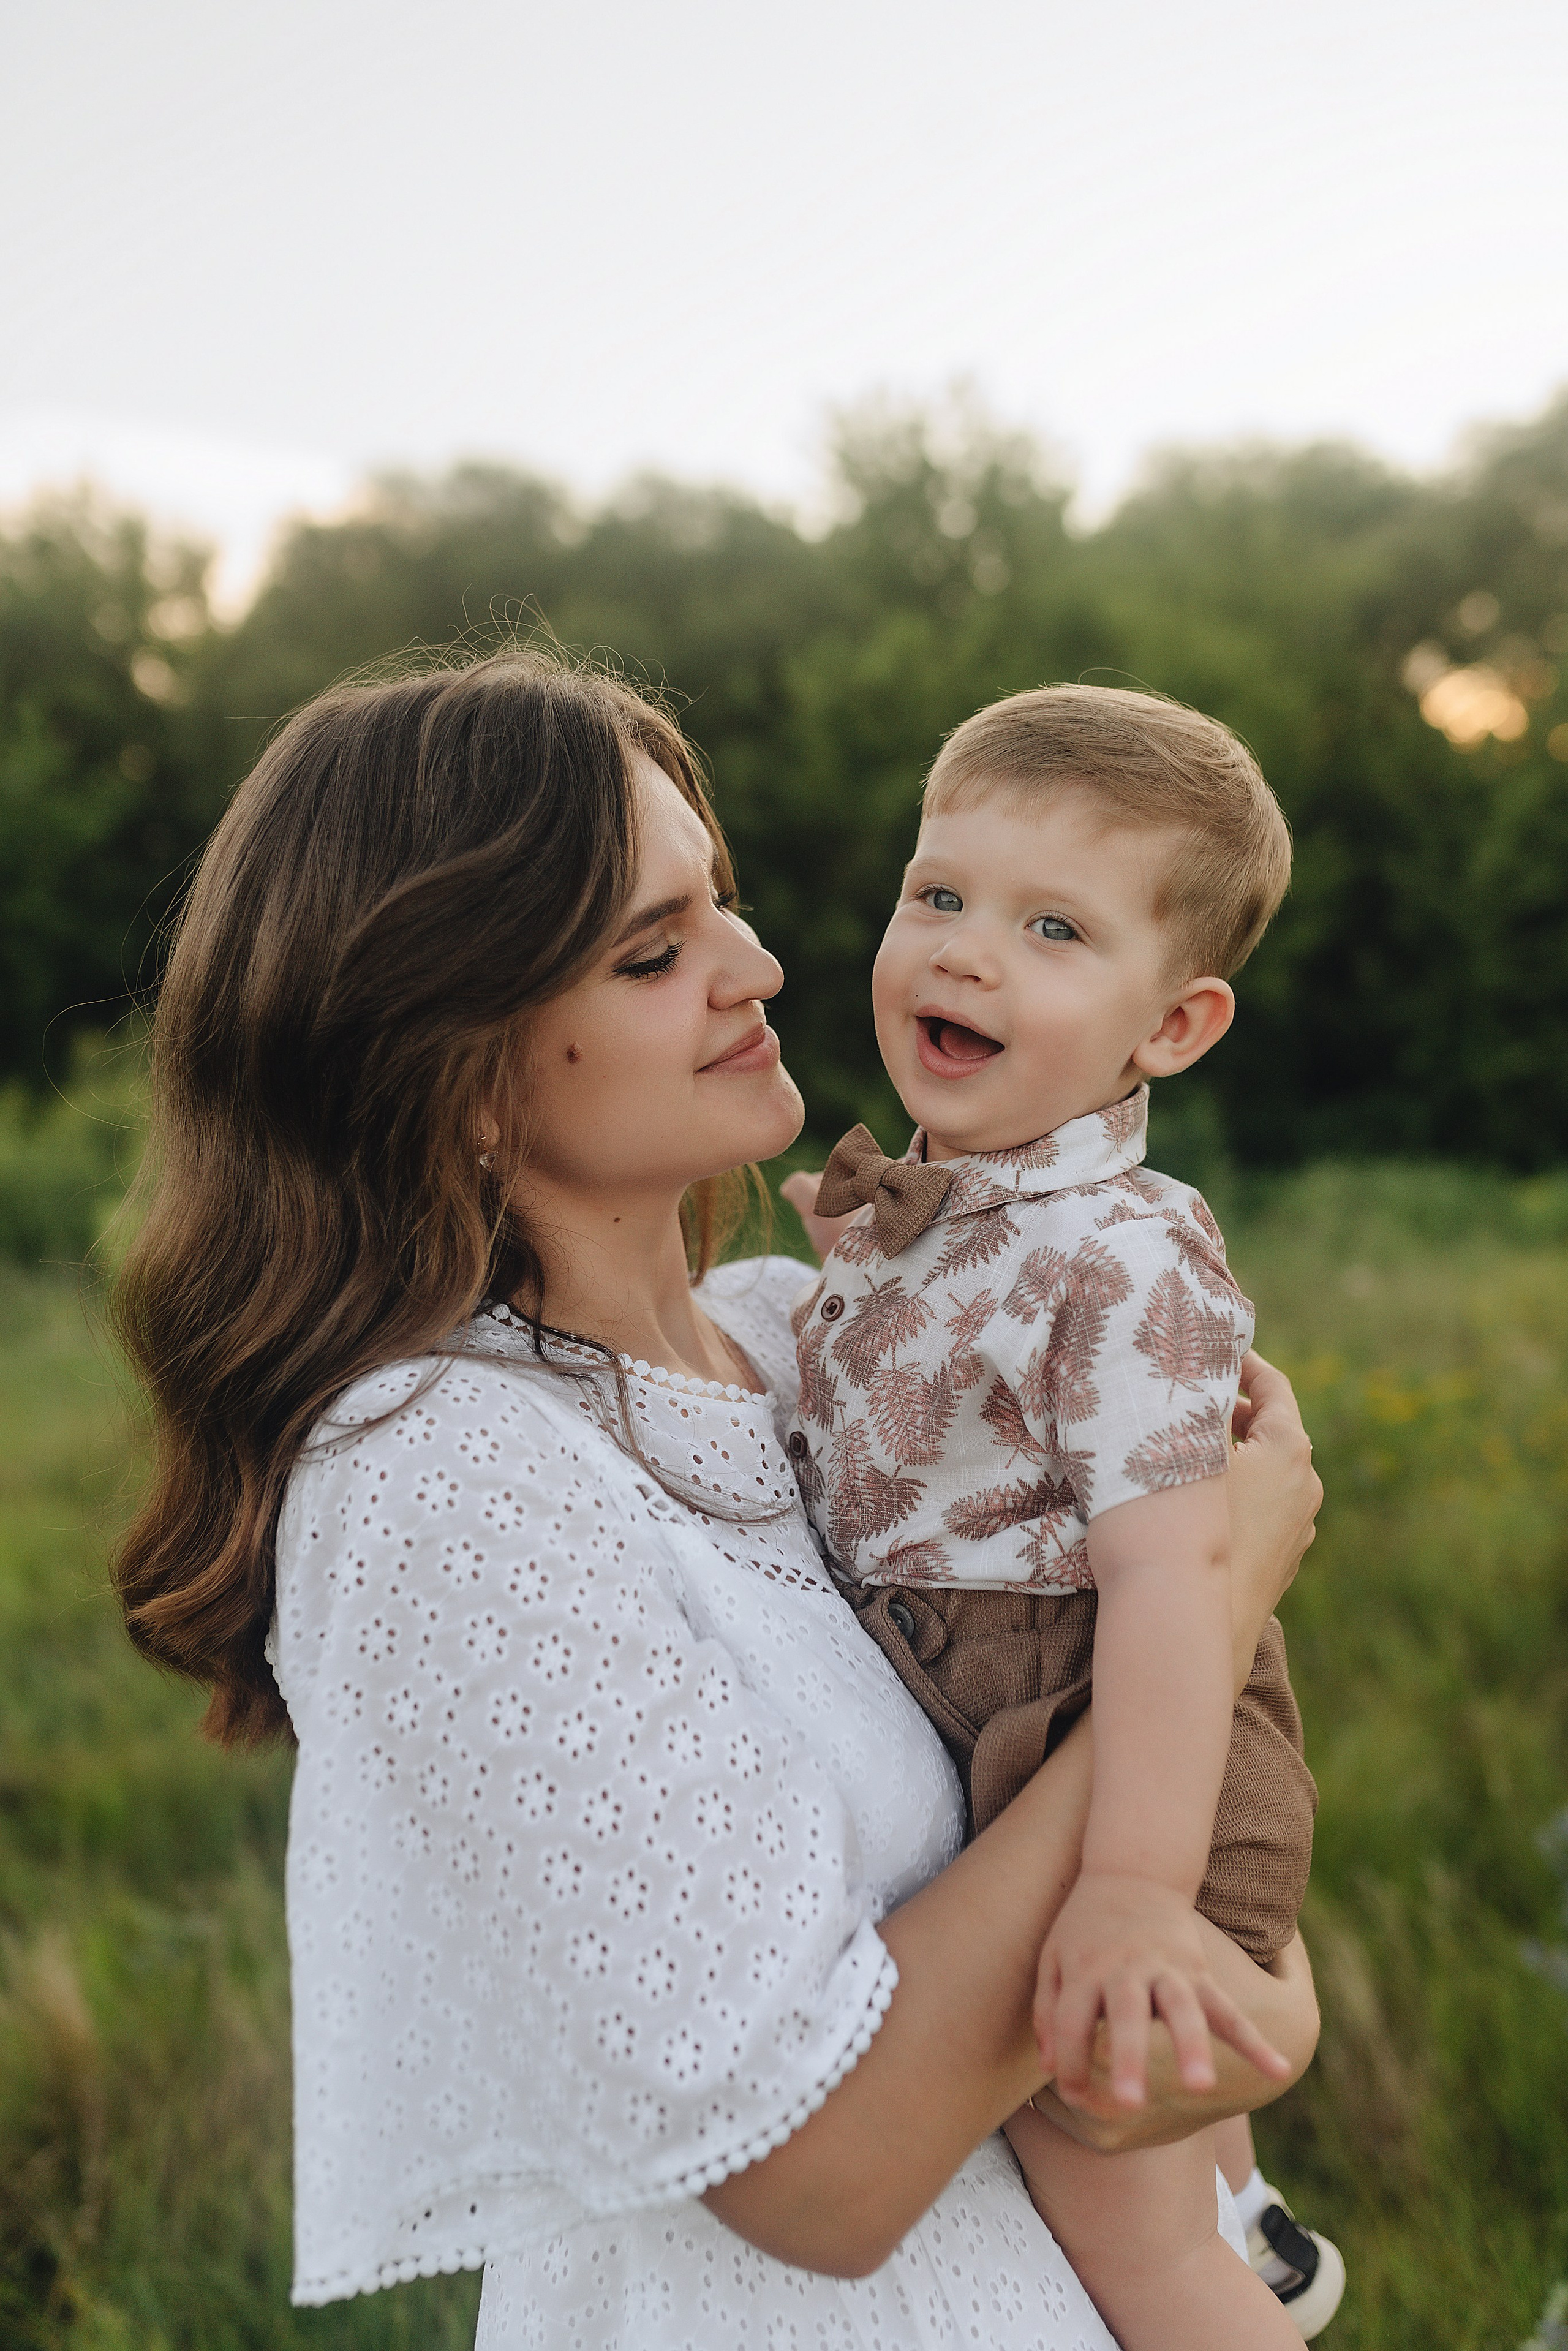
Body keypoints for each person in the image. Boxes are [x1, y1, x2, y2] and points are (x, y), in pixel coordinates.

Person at [110, 651, 1324, 2349]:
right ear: (455, 1062)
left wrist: (1216, 2023)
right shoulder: (444, 1480)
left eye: (725, 905)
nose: (756, 968)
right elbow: (821, 2179)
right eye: (655, 949)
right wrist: (1216, 1599)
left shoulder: (797, 1341)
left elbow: (1223, 1962)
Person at [779, 683, 1343, 2345]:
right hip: (990, 1699)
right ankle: (1242, 2193)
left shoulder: (1123, 1252)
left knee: (1130, 2246)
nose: (963, 952)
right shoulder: (929, 1210)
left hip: (1098, 1729)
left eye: (1050, 928)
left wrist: (1131, 1893)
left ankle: (1223, 2245)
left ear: (1171, 1029)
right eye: (937, 896)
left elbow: (1179, 1590)